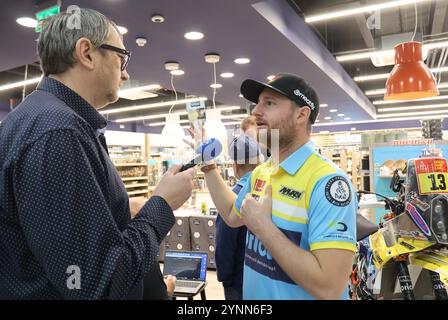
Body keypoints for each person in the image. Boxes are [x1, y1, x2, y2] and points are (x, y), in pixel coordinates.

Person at [0, 8, 194, 299]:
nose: (126, 73)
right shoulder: (59, 132)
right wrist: (162, 205)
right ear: (87, 53)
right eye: (121, 57)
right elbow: (98, 285)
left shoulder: (35, 119)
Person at [210, 73, 357, 299]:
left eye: (269, 103)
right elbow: (232, 214)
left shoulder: (328, 183)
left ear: (301, 114)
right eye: (257, 103)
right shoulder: (262, 171)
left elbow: (329, 287)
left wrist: (263, 228)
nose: (255, 111)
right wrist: (208, 167)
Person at [214, 134, 260, 300]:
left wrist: (225, 278)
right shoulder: (269, 189)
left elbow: (224, 243)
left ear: (234, 166)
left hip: (238, 280)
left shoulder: (231, 197)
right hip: (263, 277)